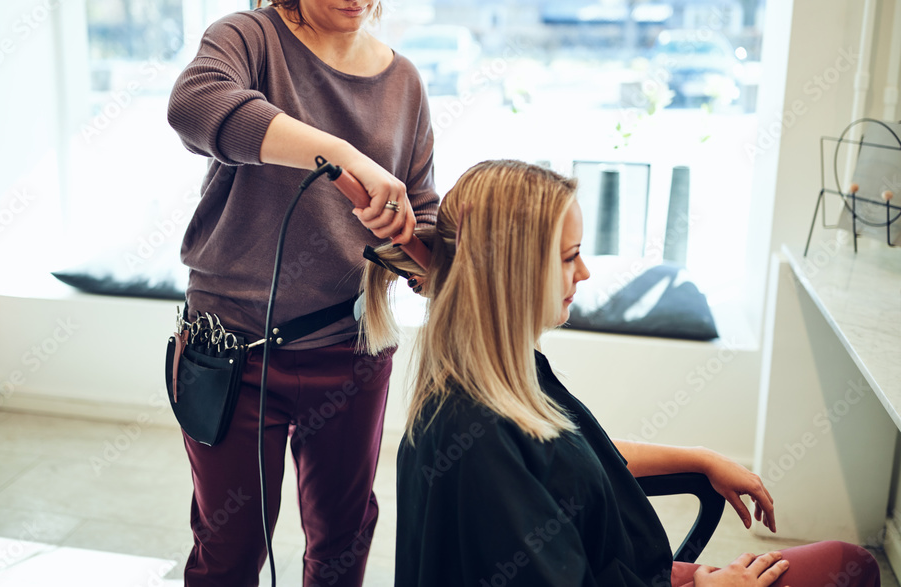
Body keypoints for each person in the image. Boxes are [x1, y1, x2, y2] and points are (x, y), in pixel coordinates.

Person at [359, 160, 880, 587]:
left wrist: (700, 458)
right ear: (514, 271)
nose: (584, 273)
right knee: (848, 566)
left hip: (632, 569)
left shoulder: (505, 373)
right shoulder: (480, 440)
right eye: (570, 257)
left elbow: (580, 456)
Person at [166, 0, 438, 584]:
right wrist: (342, 157)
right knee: (228, 552)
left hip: (350, 355)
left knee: (342, 544)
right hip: (230, 352)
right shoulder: (249, 39)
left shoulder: (404, 83)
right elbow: (194, 106)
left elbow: (427, 247)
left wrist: (402, 231)